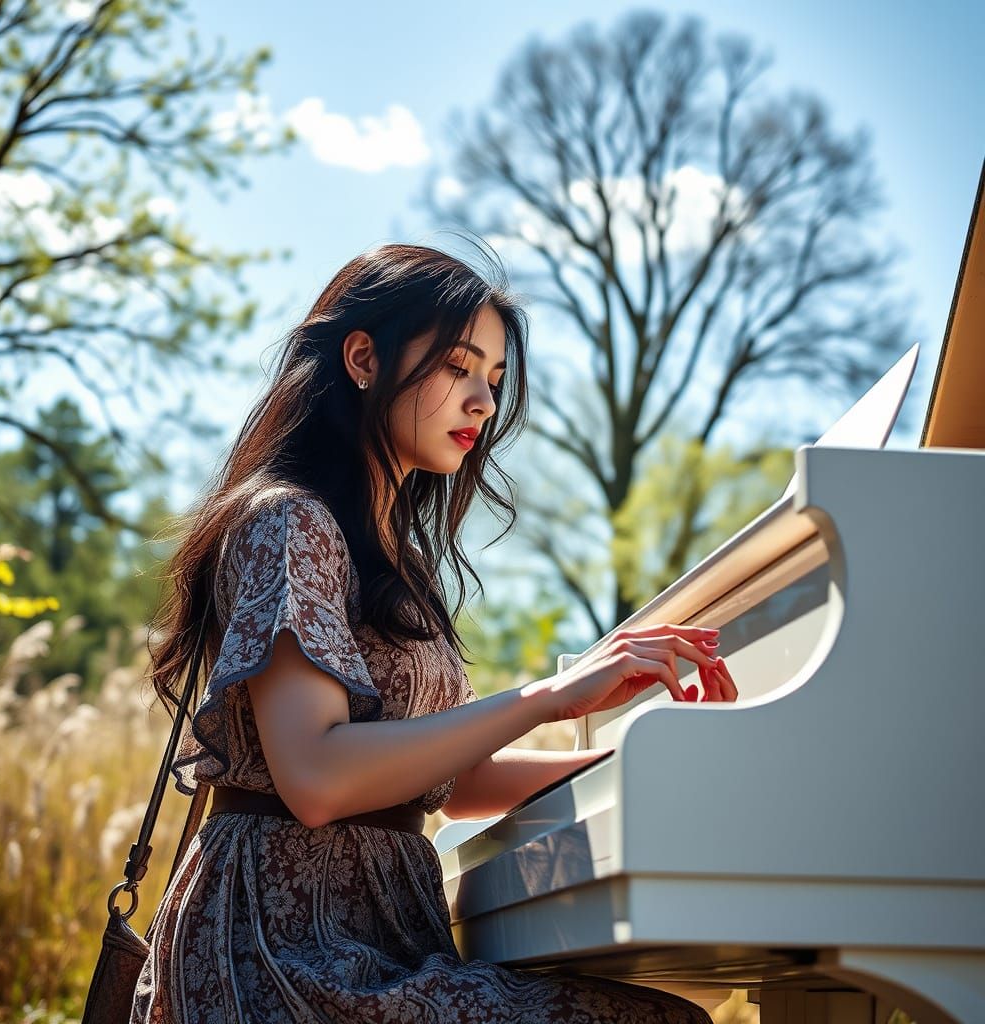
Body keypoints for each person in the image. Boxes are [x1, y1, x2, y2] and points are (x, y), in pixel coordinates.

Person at [130, 241, 738, 1023]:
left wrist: (645, 754)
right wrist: (548, 696)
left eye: (493, 380)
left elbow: (456, 784)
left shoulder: (400, 561)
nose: (483, 403)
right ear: (363, 357)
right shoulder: (288, 522)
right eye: (458, 366)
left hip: (378, 938)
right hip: (280, 953)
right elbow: (316, 777)